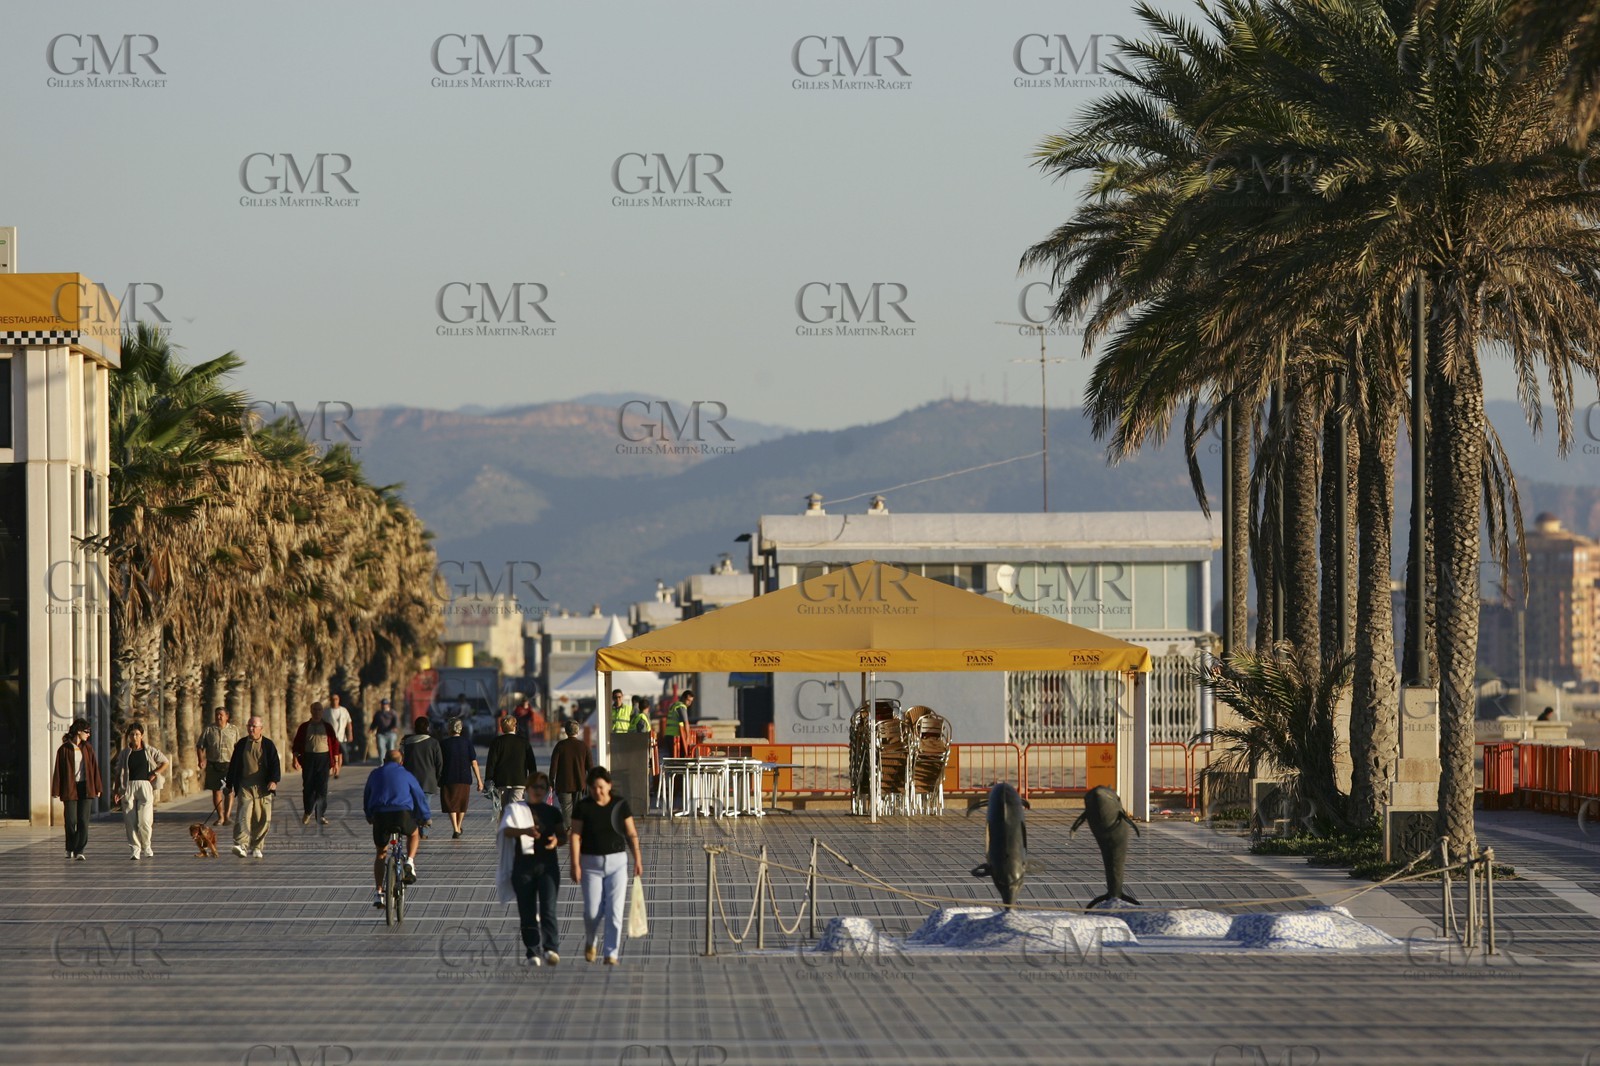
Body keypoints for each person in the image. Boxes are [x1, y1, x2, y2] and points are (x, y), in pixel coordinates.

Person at [570, 766, 642, 965]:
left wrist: (637, 858)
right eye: (593, 788)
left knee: (614, 911)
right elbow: (575, 836)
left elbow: (631, 833)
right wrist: (574, 864)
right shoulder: (583, 807)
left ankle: (611, 953)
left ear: (609, 785)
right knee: (592, 912)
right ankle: (591, 940)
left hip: (617, 863)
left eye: (601, 787)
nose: (597, 792)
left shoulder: (620, 805)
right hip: (590, 864)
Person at [498, 772, 567, 965]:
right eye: (534, 787)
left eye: (542, 788)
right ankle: (532, 951)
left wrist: (556, 841)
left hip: (548, 866)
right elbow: (506, 830)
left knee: (548, 908)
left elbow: (563, 836)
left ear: (546, 791)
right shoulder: (515, 810)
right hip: (524, 866)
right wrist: (525, 831)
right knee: (527, 911)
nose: (538, 791)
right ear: (527, 789)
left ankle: (551, 948)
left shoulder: (553, 812)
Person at [364, 747, 431, 908]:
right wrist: (425, 817)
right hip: (402, 814)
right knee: (414, 834)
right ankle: (410, 861)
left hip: (381, 816)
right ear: (401, 762)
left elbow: (367, 795)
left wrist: (369, 814)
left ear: (384, 761)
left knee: (381, 853)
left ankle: (379, 893)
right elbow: (419, 796)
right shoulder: (407, 775)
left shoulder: (374, 774)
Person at [110, 723, 170, 862]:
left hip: (145, 786)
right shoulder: (125, 753)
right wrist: (116, 790)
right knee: (130, 821)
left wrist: (155, 773)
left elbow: (165, 762)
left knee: (145, 820)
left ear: (142, 735)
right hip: (128, 787)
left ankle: (147, 846)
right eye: (132, 735)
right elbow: (119, 771)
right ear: (129, 737)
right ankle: (135, 849)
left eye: (137, 734)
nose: (134, 737)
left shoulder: (149, 750)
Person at [225, 716, 281, 858]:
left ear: (261, 728)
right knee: (244, 814)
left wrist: (274, 781)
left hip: (263, 787)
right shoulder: (242, 744)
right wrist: (229, 784)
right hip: (245, 786)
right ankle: (241, 845)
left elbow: (275, 765)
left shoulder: (268, 745)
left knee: (262, 817)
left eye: (254, 726)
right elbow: (234, 765)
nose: (251, 728)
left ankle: (257, 846)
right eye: (249, 725)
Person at [50, 718, 101, 861]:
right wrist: (56, 790)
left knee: (83, 820)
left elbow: (94, 768)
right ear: (78, 731)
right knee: (70, 820)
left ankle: (80, 850)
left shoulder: (88, 748)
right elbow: (58, 771)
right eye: (86, 731)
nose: (88, 734)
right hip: (70, 787)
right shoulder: (64, 749)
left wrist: (97, 787)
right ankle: (69, 847)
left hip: (86, 787)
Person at [290, 702, 344, 827]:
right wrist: (295, 759)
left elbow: (335, 745)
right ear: (311, 710)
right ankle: (308, 811)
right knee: (308, 787)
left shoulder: (327, 727)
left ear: (322, 711)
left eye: (319, 709)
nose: (317, 712)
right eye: (314, 709)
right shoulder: (304, 727)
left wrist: (336, 763)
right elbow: (297, 744)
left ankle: (320, 815)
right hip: (308, 758)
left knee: (322, 788)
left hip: (323, 759)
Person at [439, 717, 483, 838]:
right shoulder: (467, 742)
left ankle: (455, 828)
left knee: (451, 803)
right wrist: (479, 780)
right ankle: (459, 825)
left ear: (449, 728)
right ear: (461, 729)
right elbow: (473, 762)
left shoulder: (443, 743)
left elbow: (439, 762)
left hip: (448, 776)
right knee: (462, 803)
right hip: (464, 776)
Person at [402, 715, 443, 837]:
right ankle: (423, 831)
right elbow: (439, 762)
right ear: (427, 727)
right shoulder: (433, 743)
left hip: (411, 780)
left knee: (414, 806)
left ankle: (414, 830)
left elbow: (404, 762)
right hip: (428, 780)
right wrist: (438, 778)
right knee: (425, 806)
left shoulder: (408, 743)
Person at [196, 707, 239, 826]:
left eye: (221, 715)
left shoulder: (234, 730)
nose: (218, 717)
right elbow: (200, 745)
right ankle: (220, 816)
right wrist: (201, 760)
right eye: (216, 715)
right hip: (213, 763)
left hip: (229, 764)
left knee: (229, 790)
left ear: (227, 716)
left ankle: (227, 816)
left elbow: (239, 747)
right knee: (216, 791)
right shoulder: (209, 730)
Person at [485, 715, 538, 804]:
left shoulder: (497, 742)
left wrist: (488, 779)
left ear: (502, 728)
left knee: (503, 811)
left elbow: (491, 763)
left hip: (502, 781)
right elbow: (531, 763)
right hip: (519, 780)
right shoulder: (524, 742)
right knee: (515, 809)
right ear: (514, 726)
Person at [549, 720, 592, 830]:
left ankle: (568, 828)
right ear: (577, 731)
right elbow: (590, 767)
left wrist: (551, 780)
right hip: (580, 782)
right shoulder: (584, 746)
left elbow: (553, 765)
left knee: (566, 807)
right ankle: (577, 828)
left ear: (566, 732)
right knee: (578, 807)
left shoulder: (560, 746)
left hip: (563, 783)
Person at [324, 693, 355, 764]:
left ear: (339, 700)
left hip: (341, 736)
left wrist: (350, 734)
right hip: (330, 737)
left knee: (342, 753)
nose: (334, 701)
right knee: (332, 754)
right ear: (330, 700)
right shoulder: (326, 712)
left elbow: (349, 722)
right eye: (333, 699)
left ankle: (339, 768)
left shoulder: (344, 710)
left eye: (336, 699)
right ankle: (335, 768)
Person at [663, 691, 695, 755]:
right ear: (683, 698)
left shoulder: (674, 705)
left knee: (673, 757)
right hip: (675, 737)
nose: (690, 703)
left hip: (668, 735)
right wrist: (688, 738)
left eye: (691, 701)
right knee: (681, 757)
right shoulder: (681, 707)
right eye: (688, 700)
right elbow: (686, 723)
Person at [370, 698, 400, 762]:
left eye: (385, 704)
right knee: (381, 748)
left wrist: (395, 727)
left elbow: (396, 722)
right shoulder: (378, 714)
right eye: (383, 704)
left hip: (391, 733)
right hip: (381, 734)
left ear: (388, 705)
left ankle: (391, 763)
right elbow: (374, 723)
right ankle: (382, 763)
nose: (384, 706)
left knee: (391, 749)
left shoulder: (393, 713)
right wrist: (371, 728)